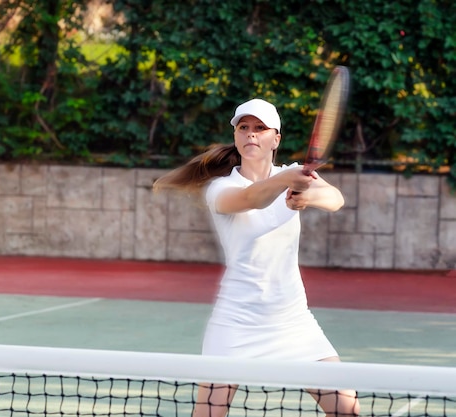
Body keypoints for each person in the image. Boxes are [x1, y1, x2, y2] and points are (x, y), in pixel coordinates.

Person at [153, 98, 359, 417]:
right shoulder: (219, 188)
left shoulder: (292, 175)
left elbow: (336, 199)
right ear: (236, 136)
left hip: (293, 322)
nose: (251, 134)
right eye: (243, 127)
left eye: (260, 128)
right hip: (235, 321)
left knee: (347, 410)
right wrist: (286, 182)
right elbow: (252, 198)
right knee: (207, 414)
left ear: (275, 139)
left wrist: (308, 196)